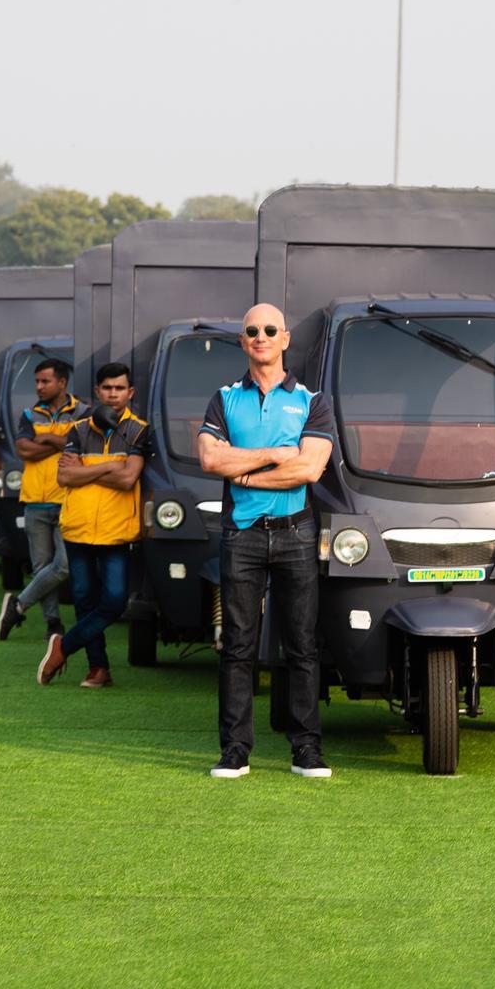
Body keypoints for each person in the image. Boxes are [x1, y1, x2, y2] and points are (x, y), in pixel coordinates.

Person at [196, 305, 335, 779]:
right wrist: (276, 456)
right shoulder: (224, 398)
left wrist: (246, 474)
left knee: (301, 646)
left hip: (296, 532)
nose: (261, 336)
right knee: (238, 646)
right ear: (242, 341)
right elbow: (211, 460)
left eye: (270, 330)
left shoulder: (313, 401)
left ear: (285, 339)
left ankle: (306, 750)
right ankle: (235, 750)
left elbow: (310, 468)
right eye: (252, 331)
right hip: (242, 536)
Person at [36, 362, 153, 690]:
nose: (113, 394)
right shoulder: (78, 430)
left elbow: (129, 478)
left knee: (115, 601)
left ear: (130, 392)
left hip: (116, 531)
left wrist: (87, 470)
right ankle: (98, 668)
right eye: (107, 388)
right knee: (84, 600)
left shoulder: (140, 431)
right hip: (77, 526)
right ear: (97, 392)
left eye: (119, 388)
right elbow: (64, 476)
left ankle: (64, 646)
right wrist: (107, 470)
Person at [0, 356, 88, 642]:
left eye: (45, 381)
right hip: (34, 498)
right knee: (41, 566)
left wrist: (45, 438)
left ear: (62, 382)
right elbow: (23, 451)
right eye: (36, 381)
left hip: (68, 499)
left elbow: (82, 445)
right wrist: (59, 442)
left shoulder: (83, 411)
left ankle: (18, 604)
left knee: (63, 565)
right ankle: (53, 624)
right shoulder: (28, 414)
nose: (39, 386)